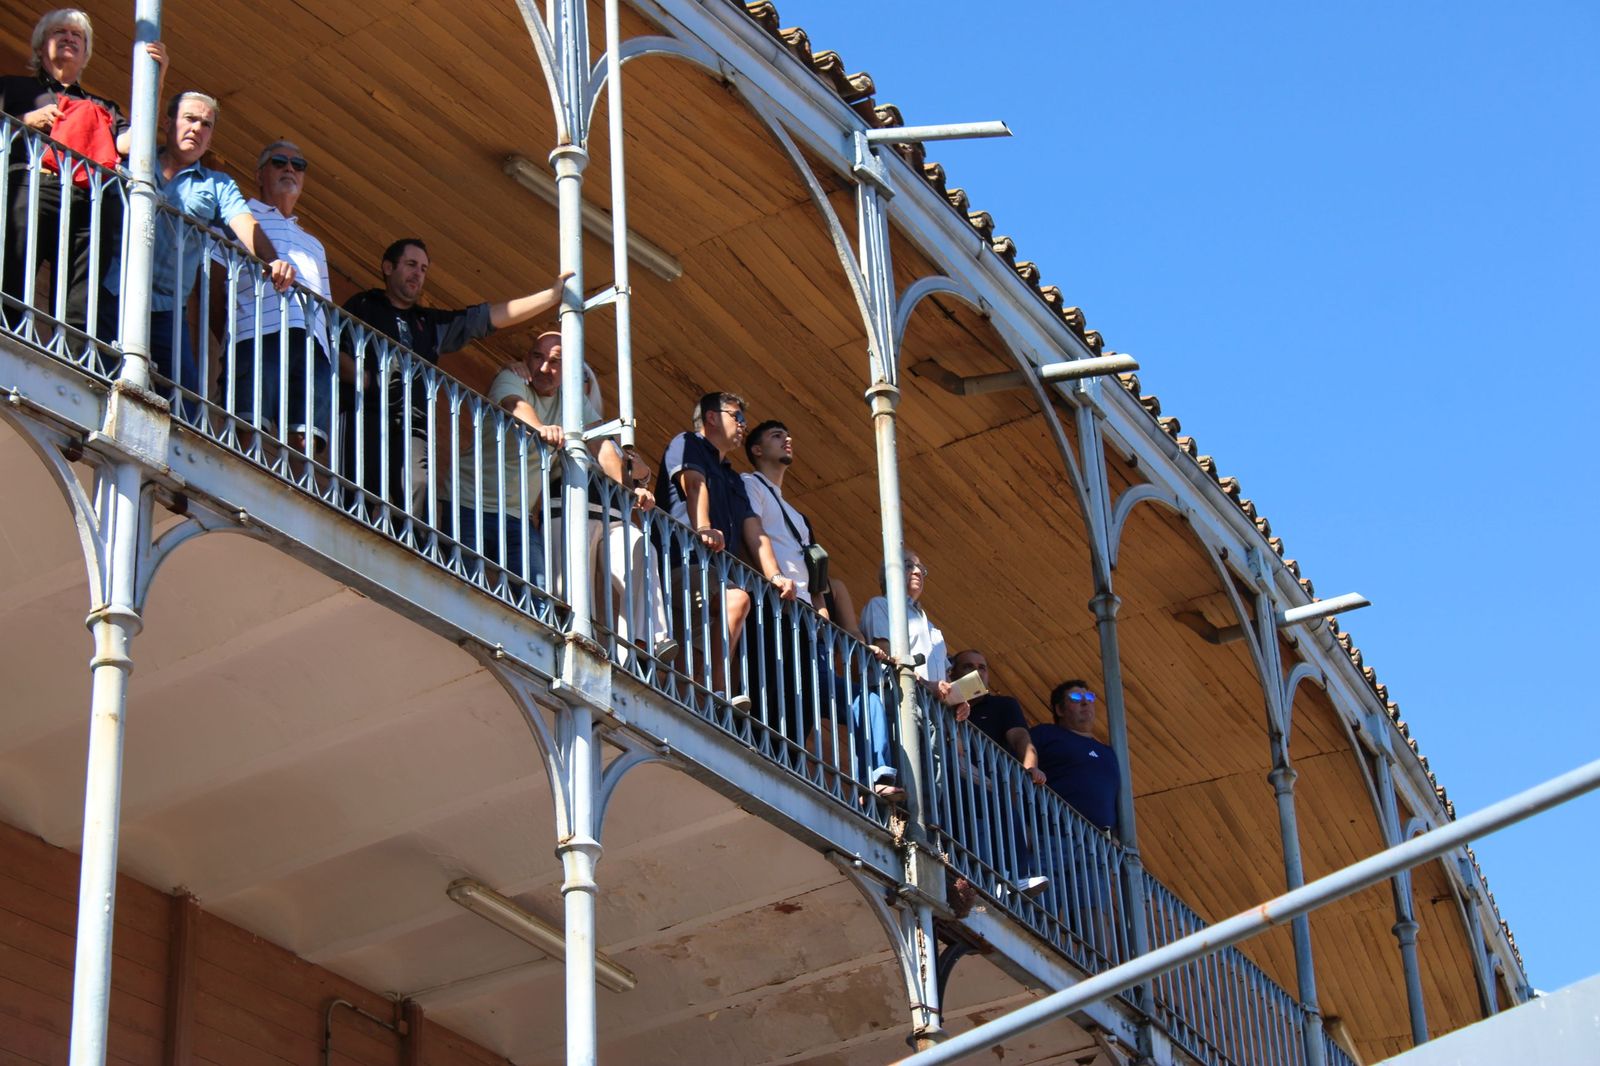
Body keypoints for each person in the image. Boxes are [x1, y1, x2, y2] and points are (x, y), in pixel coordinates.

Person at [340, 237, 568, 508]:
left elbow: (490, 318)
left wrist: (552, 296)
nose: (418, 274)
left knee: (417, 484)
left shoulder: (427, 322)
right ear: (388, 268)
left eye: (424, 269)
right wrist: (364, 379)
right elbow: (335, 347)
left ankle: (404, 543)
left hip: (413, 422)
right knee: (359, 486)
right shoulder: (364, 305)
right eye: (411, 264)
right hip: (363, 413)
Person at [105, 91, 293, 406]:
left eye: (206, 124)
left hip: (168, 305)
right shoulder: (137, 157)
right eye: (190, 119)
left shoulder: (217, 184)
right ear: (167, 123)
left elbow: (244, 223)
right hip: (113, 289)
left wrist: (273, 260)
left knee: (185, 404)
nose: (197, 128)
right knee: (97, 371)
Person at [1, 9, 168, 335]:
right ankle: (8, 340)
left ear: (86, 52)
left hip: (87, 202)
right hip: (31, 186)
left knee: (80, 299)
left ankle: (73, 358)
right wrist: (26, 121)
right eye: (60, 32)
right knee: (12, 275)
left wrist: (155, 81)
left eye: (77, 35)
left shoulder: (102, 107)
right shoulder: (12, 88)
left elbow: (132, 144)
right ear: (40, 47)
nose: (69, 38)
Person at [658, 392, 795, 711]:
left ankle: (695, 697)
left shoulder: (732, 476)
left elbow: (753, 527)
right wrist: (703, 526)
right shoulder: (688, 442)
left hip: (711, 571)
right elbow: (694, 484)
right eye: (737, 417)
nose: (743, 425)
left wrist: (774, 575)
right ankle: (714, 688)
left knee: (691, 650)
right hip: (682, 558)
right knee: (737, 600)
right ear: (711, 417)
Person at [219, 139, 332, 459]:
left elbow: (326, 304)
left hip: (312, 342)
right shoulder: (241, 217)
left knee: (306, 433)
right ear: (259, 174)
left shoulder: (314, 244)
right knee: (250, 418)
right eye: (279, 162)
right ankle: (241, 475)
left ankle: (297, 494)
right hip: (257, 331)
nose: (289, 170)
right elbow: (215, 279)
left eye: (298, 166)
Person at [856, 549, 968, 799]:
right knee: (910, 772)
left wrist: (959, 700)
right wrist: (929, 685)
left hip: (934, 712)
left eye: (921, 569)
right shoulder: (881, 605)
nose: (917, 572)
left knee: (934, 783)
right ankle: (906, 826)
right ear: (889, 574)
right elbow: (887, 656)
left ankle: (928, 830)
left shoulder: (933, 629)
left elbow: (944, 679)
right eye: (908, 566)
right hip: (901, 699)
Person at [948, 648, 1049, 898]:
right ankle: (983, 878)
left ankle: (1017, 878)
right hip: (952, 779)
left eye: (982, 667)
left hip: (988, 783)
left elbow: (1020, 736)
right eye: (968, 667)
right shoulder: (944, 701)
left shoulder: (1002, 705)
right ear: (952, 673)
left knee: (1002, 810)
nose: (977, 672)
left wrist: (1030, 765)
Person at [1031, 680, 1121, 834]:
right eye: (1076, 698)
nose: (1085, 702)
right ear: (1059, 709)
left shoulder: (1108, 752)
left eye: (1089, 697)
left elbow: (1116, 802)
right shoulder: (1045, 734)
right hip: (1054, 838)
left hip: (1099, 847)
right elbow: (1018, 773)